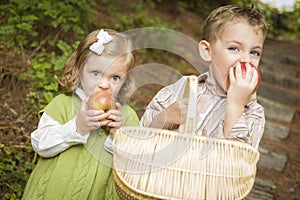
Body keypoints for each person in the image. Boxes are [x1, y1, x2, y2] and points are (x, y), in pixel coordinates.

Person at [23, 29, 139, 199]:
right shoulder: (62, 104)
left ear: (125, 80)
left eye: (115, 78)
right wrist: (76, 127)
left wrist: (118, 137)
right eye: (96, 73)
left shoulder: (126, 117)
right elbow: (40, 144)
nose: (104, 85)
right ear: (79, 70)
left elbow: (134, 167)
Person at [140, 5, 267, 148]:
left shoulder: (253, 113)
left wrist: (236, 105)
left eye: (254, 52)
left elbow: (238, 163)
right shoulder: (181, 90)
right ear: (207, 51)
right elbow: (139, 139)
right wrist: (164, 119)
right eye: (234, 48)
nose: (246, 60)